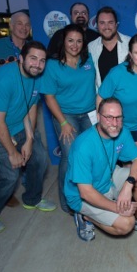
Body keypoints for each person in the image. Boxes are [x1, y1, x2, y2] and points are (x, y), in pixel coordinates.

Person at [0, 41, 56, 234]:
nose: (37, 64)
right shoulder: (3, 79)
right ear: (21, 58)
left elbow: (31, 106)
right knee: (8, 176)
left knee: (40, 159)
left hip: (16, 120)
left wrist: (29, 139)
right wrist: (12, 152)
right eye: (33, 58)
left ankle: (32, 199)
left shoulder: (37, 76)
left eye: (42, 60)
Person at [65, 97, 137, 241]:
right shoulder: (83, 146)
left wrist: (128, 185)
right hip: (82, 196)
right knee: (126, 224)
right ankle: (85, 216)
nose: (114, 123)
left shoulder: (122, 132)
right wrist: (117, 208)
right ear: (98, 117)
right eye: (109, 117)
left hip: (107, 178)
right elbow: (86, 192)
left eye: (118, 117)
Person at [40, 24, 96, 214]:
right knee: (70, 156)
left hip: (89, 114)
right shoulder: (52, 65)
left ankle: (90, 194)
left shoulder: (88, 60)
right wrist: (63, 122)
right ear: (63, 42)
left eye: (79, 41)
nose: (75, 45)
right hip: (66, 116)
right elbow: (49, 97)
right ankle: (67, 201)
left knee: (90, 155)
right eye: (70, 40)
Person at [98, 34, 137, 162]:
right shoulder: (117, 73)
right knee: (120, 167)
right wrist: (102, 123)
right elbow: (101, 98)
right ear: (130, 54)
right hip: (117, 126)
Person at [89, 6, 131, 89]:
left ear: (116, 24)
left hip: (126, 98)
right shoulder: (90, 47)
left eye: (110, 22)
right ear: (97, 25)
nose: (106, 27)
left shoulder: (130, 44)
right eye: (102, 23)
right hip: (101, 100)